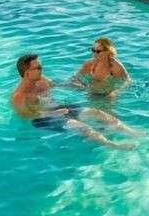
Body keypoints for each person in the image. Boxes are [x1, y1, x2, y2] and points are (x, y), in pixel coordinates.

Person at [10, 54, 141, 149]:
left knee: (96, 113)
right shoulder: (19, 96)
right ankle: (113, 146)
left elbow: (59, 85)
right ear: (27, 73)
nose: (41, 70)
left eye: (41, 67)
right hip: (43, 119)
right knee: (80, 126)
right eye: (38, 68)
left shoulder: (42, 81)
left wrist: (81, 86)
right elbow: (26, 116)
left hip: (59, 109)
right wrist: (52, 113)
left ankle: (132, 132)